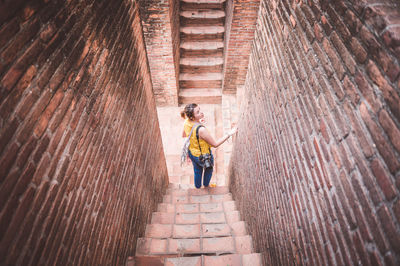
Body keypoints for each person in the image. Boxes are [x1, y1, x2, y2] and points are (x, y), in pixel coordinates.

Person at [180, 103, 237, 189]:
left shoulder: (186, 122)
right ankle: (206, 186)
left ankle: (198, 187)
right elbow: (215, 144)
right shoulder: (201, 130)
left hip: (192, 153)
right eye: (198, 112)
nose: (201, 113)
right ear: (192, 117)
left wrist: (198, 123)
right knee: (208, 170)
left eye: (200, 110)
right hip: (203, 156)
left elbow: (184, 135)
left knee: (197, 171)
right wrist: (229, 133)